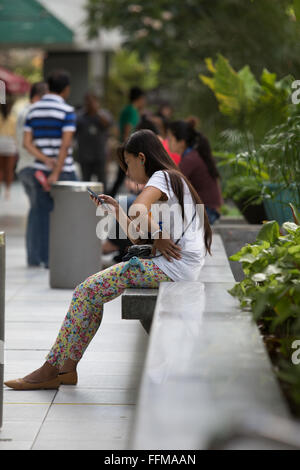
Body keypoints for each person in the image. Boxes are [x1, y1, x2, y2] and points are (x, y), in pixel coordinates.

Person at [4, 129, 212, 390]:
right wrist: (115, 210)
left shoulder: (162, 177)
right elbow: (138, 238)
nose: (127, 172)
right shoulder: (171, 180)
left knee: (86, 290)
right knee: (91, 292)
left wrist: (157, 233)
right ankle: (66, 369)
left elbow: (139, 210)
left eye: (128, 164)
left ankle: (51, 368)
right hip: (177, 267)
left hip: (173, 268)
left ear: (141, 158)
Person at [23, 70, 78, 267]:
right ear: (66, 89)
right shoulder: (67, 111)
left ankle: (43, 258)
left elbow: (27, 143)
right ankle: (69, 255)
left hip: (39, 170)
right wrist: (56, 171)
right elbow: (65, 144)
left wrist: (45, 159)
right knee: (74, 212)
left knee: (41, 214)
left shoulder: (33, 110)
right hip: (64, 171)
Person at [16, 81, 48, 266]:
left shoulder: (23, 112)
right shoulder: (34, 113)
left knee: (36, 211)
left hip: (23, 166)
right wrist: (47, 159)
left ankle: (34, 256)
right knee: (40, 212)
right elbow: (32, 142)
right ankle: (38, 257)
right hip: (34, 167)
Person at [168, 120, 223, 225]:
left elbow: (173, 185)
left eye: (171, 139)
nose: (168, 141)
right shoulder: (193, 155)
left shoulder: (190, 159)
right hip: (208, 210)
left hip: (206, 212)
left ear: (181, 142)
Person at [108, 86, 146, 197]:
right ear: (140, 98)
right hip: (128, 147)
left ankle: (110, 197)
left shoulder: (126, 109)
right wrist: (128, 148)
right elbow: (127, 129)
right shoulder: (132, 111)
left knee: (121, 177)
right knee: (126, 175)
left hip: (124, 146)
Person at [76, 92, 113, 190]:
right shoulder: (80, 117)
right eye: (87, 101)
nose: (90, 104)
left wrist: (96, 112)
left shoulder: (104, 114)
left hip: (100, 156)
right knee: (85, 184)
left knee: (102, 183)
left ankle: (103, 203)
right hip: (85, 156)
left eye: (92, 101)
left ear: (97, 102)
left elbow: (108, 125)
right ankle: (87, 203)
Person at [0, 95, 17, 200]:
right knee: (9, 169)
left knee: (1, 169)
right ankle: (7, 191)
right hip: (10, 143)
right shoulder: (13, 118)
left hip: (1, 143)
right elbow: (15, 134)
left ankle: (4, 189)